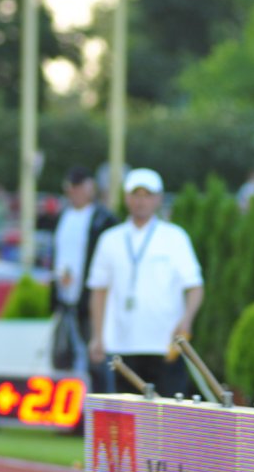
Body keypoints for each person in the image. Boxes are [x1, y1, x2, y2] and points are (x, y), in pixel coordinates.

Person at [88, 168, 204, 398]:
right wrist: (97, 336)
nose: (141, 201)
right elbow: (98, 290)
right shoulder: (110, 239)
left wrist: (186, 322)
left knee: (169, 415)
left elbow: (195, 286)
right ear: (126, 198)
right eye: (136, 194)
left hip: (165, 344)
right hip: (122, 343)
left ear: (158, 199)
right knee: (130, 421)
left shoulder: (175, 237)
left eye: (147, 195)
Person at [49, 166, 118, 391]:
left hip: (89, 300)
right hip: (65, 298)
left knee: (95, 359)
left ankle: (98, 409)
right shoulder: (64, 216)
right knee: (62, 356)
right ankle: (70, 414)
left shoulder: (103, 219)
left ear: (90, 188)